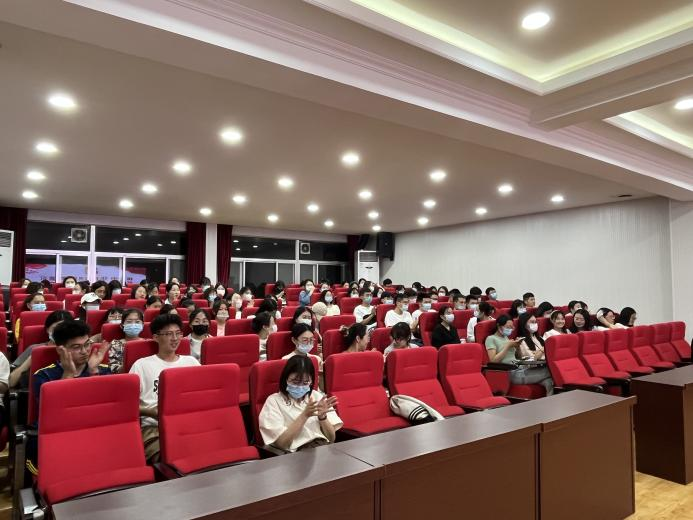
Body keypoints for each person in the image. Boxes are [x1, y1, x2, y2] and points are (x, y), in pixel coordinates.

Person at [130, 313, 200, 463]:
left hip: (189, 422)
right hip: (154, 427)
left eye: (178, 333)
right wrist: (151, 411)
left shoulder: (191, 362)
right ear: (156, 337)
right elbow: (127, 404)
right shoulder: (141, 365)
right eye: (168, 334)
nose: (175, 338)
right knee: (174, 457)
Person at [258, 355, 341, 453]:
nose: (300, 386)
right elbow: (282, 444)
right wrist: (304, 415)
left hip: (323, 448)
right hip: (297, 453)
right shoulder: (274, 401)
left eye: (305, 382)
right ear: (286, 379)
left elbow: (331, 439)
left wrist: (322, 417)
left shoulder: (317, 396)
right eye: (295, 382)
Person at [33, 320, 111, 413]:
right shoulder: (44, 375)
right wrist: (68, 374)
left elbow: (104, 405)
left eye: (87, 344)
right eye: (76, 347)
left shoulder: (103, 370)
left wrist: (93, 371)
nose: (84, 351)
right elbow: (52, 410)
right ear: (60, 350)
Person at [10, 310, 73, 390]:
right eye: (56, 328)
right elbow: (11, 382)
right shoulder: (34, 348)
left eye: (65, 329)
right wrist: (32, 358)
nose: (61, 333)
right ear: (47, 329)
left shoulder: (76, 350)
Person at [512, 313, 554, 395]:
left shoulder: (539, 338)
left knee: (550, 382)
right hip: (528, 370)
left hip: (542, 367)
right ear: (524, 324)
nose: (535, 324)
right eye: (532, 322)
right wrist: (543, 349)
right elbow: (532, 358)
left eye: (535, 322)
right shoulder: (520, 340)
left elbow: (546, 354)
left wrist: (540, 352)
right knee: (553, 371)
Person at [108, 308, 144, 373]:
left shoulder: (148, 343)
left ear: (142, 325)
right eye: (129, 322)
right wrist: (129, 363)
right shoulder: (115, 344)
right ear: (122, 325)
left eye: (137, 322)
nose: (133, 324)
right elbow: (114, 370)